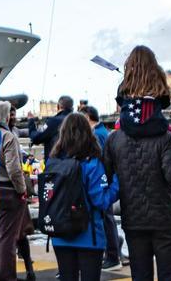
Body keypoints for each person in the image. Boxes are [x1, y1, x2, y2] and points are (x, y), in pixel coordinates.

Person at [103, 45, 171, 281]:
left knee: (140, 276)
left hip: (134, 220)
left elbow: (106, 176)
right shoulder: (165, 135)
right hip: (164, 219)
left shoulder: (114, 139)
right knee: (170, 275)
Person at [48, 113, 119, 281]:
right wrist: (117, 182)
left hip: (60, 235)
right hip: (89, 237)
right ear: (87, 133)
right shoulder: (92, 164)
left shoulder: (52, 162)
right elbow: (101, 201)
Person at [0, 101, 28, 281]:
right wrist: (22, 190)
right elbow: (14, 169)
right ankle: (7, 277)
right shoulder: (8, 137)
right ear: (5, 116)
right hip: (9, 192)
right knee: (7, 239)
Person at [84, 106, 122, 271]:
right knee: (108, 218)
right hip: (106, 180)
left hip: (102, 182)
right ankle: (114, 250)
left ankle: (113, 257)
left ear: (88, 116)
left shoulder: (97, 134)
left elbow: (101, 159)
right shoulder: (102, 132)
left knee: (106, 218)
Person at [27, 95, 73, 160]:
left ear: (58, 106)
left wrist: (31, 122)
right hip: (76, 166)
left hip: (56, 165)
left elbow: (36, 138)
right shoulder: (79, 121)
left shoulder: (54, 121)